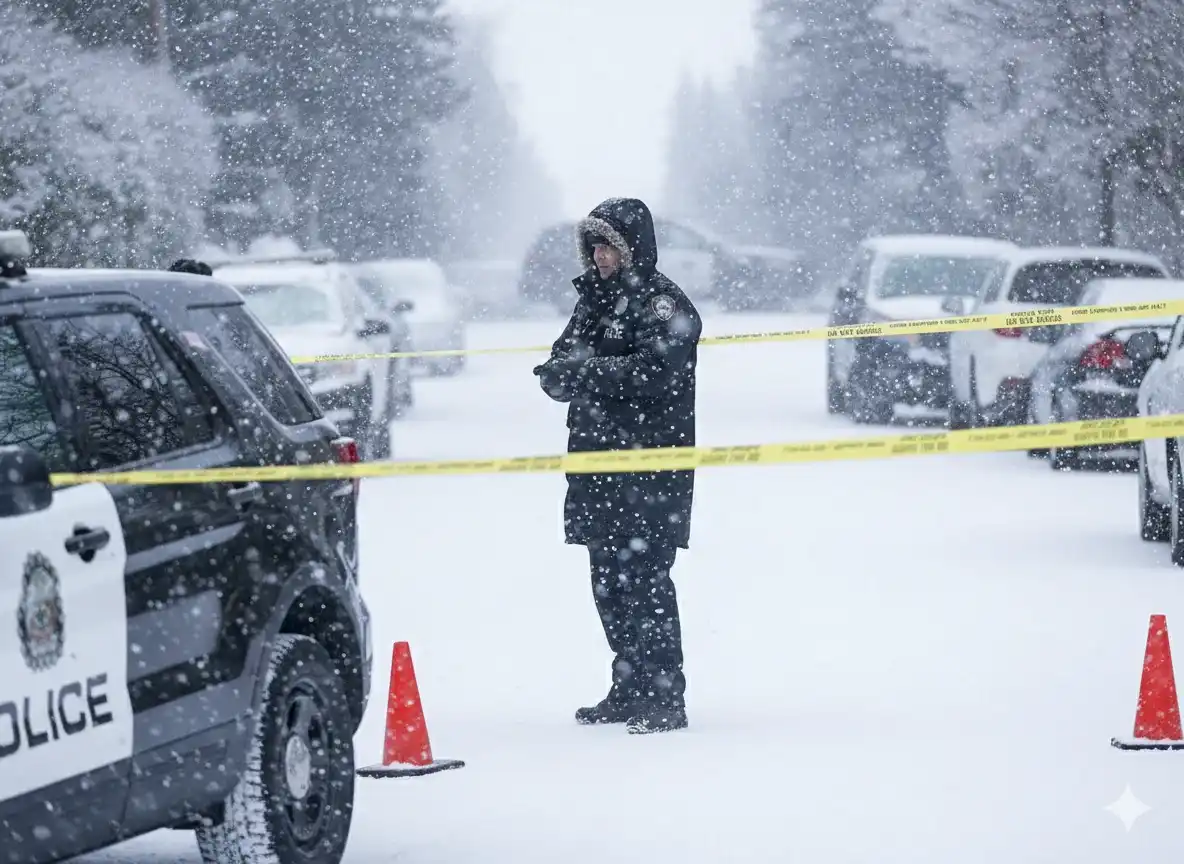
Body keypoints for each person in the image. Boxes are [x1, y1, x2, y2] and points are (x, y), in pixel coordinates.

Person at [533, 197, 702, 735]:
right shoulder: (591, 301)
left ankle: (664, 697)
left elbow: (657, 372)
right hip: (594, 466)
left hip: (649, 469)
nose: (600, 256)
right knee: (607, 581)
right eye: (594, 246)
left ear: (633, 248)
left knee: (647, 579)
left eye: (609, 245)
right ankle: (628, 687)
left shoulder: (664, 304)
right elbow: (560, 364)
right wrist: (568, 374)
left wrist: (589, 371)